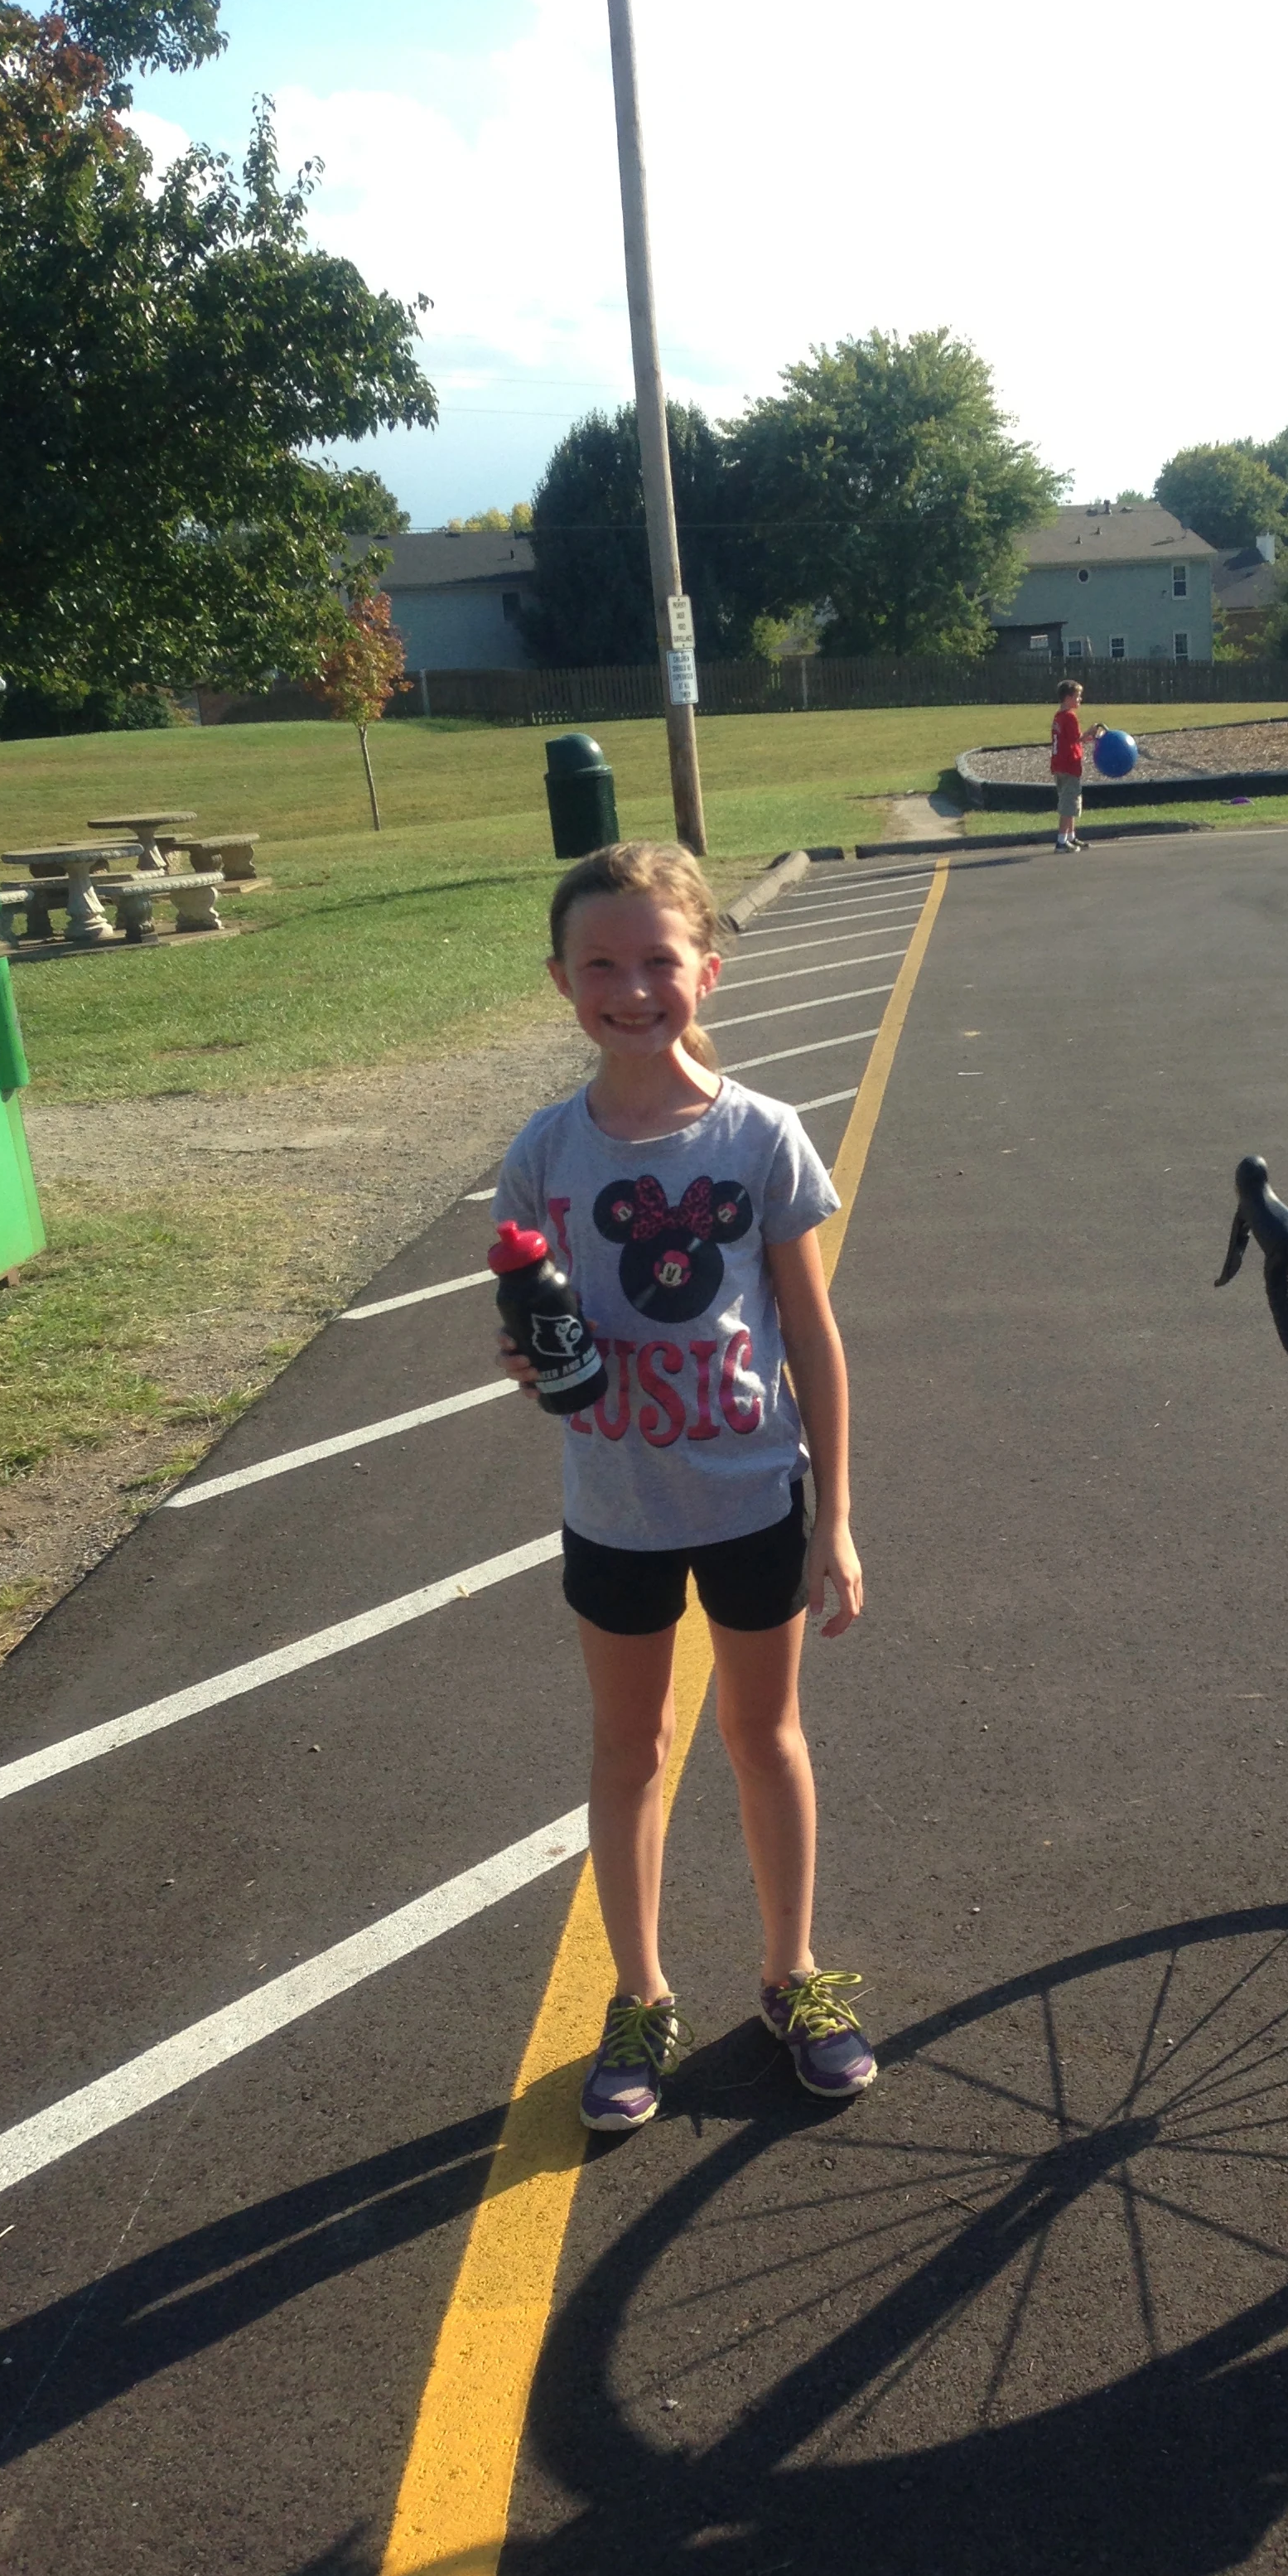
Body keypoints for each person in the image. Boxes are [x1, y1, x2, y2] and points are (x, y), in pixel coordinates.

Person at [493, 839, 876, 2131]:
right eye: (601, 964)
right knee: (631, 1747)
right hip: (617, 1510)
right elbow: (534, 1334)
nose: (632, 987)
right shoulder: (546, 1153)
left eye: (658, 960)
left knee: (764, 1736)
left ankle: (792, 1973)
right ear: (561, 980)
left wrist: (839, 1516)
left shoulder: (761, 1134)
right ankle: (644, 1995)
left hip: (754, 1493)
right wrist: (527, 1362)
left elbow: (812, 1335)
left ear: (707, 968)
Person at [1050, 678, 1106, 853]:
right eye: (1077, 696)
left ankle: (1071, 837)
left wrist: (1091, 737)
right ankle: (1061, 841)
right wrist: (1091, 731)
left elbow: (1072, 740)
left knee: (1072, 802)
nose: (1080, 700)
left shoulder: (1058, 716)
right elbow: (1078, 738)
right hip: (1069, 765)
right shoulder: (1070, 717)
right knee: (1068, 804)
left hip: (1059, 764)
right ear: (1068, 698)